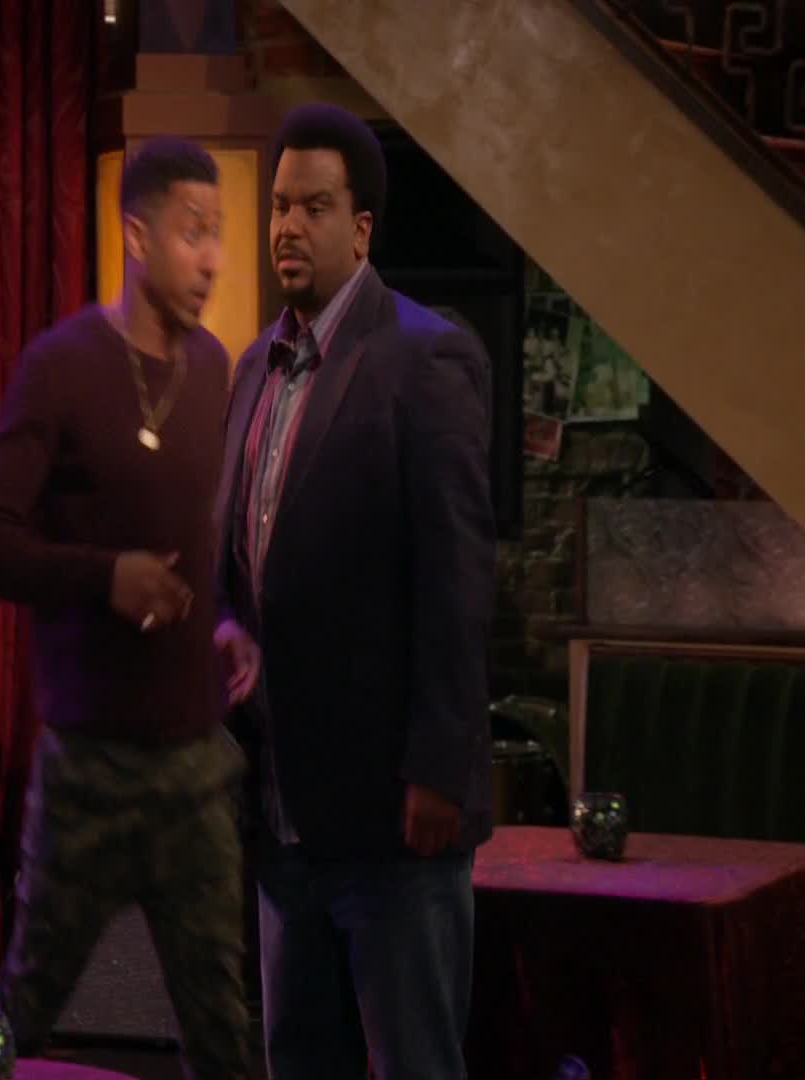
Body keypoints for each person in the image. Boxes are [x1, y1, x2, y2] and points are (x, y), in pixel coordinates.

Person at [0, 137, 258, 1080]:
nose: (212, 258)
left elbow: (205, 533)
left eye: (218, 234)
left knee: (223, 1025)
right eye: (193, 232)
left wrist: (226, 618)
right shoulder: (60, 366)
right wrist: (105, 576)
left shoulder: (215, 367)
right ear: (137, 236)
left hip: (195, 762)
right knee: (27, 1009)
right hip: (89, 766)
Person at [215, 104, 495, 1080]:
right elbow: (235, 566)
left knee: (415, 1062)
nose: (288, 226)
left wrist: (439, 768)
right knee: (298, 1061)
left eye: (314, 207)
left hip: (392, 819)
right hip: (281, 811)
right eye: (279, 207)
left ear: (361, 228)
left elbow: (456, 579)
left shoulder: (424, 356)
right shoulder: (253, 368)